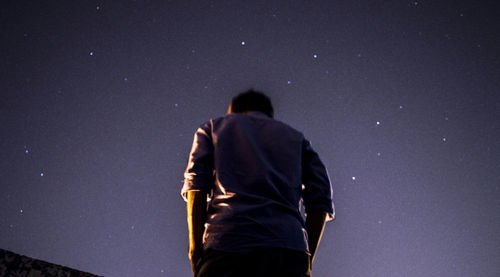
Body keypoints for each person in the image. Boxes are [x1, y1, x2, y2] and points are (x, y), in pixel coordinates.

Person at [181, 90, 335, 277]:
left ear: (233, 112)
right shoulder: (296, 139)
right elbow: (320, 197)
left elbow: (196, 186)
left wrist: (195, 249)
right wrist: (306, 255)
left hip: (227, 246)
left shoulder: (213, 128)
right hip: (286, 250)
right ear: (269, 114)